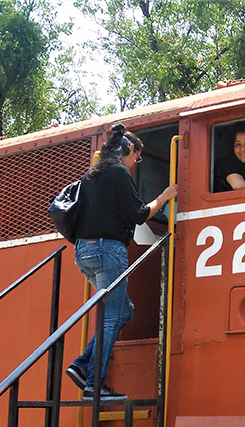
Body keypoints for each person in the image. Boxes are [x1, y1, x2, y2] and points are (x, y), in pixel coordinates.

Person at [65, 123, 177, 400]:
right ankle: (94, 384)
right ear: (129, 150)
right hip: (107, 250)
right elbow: (139, 214)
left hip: (84, 252)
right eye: (136, 157)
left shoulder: (90, 175)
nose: (135, 162)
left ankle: (81, 365)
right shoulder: (119, 174)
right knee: (114, 314)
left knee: (123, 312)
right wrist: (164, 197)